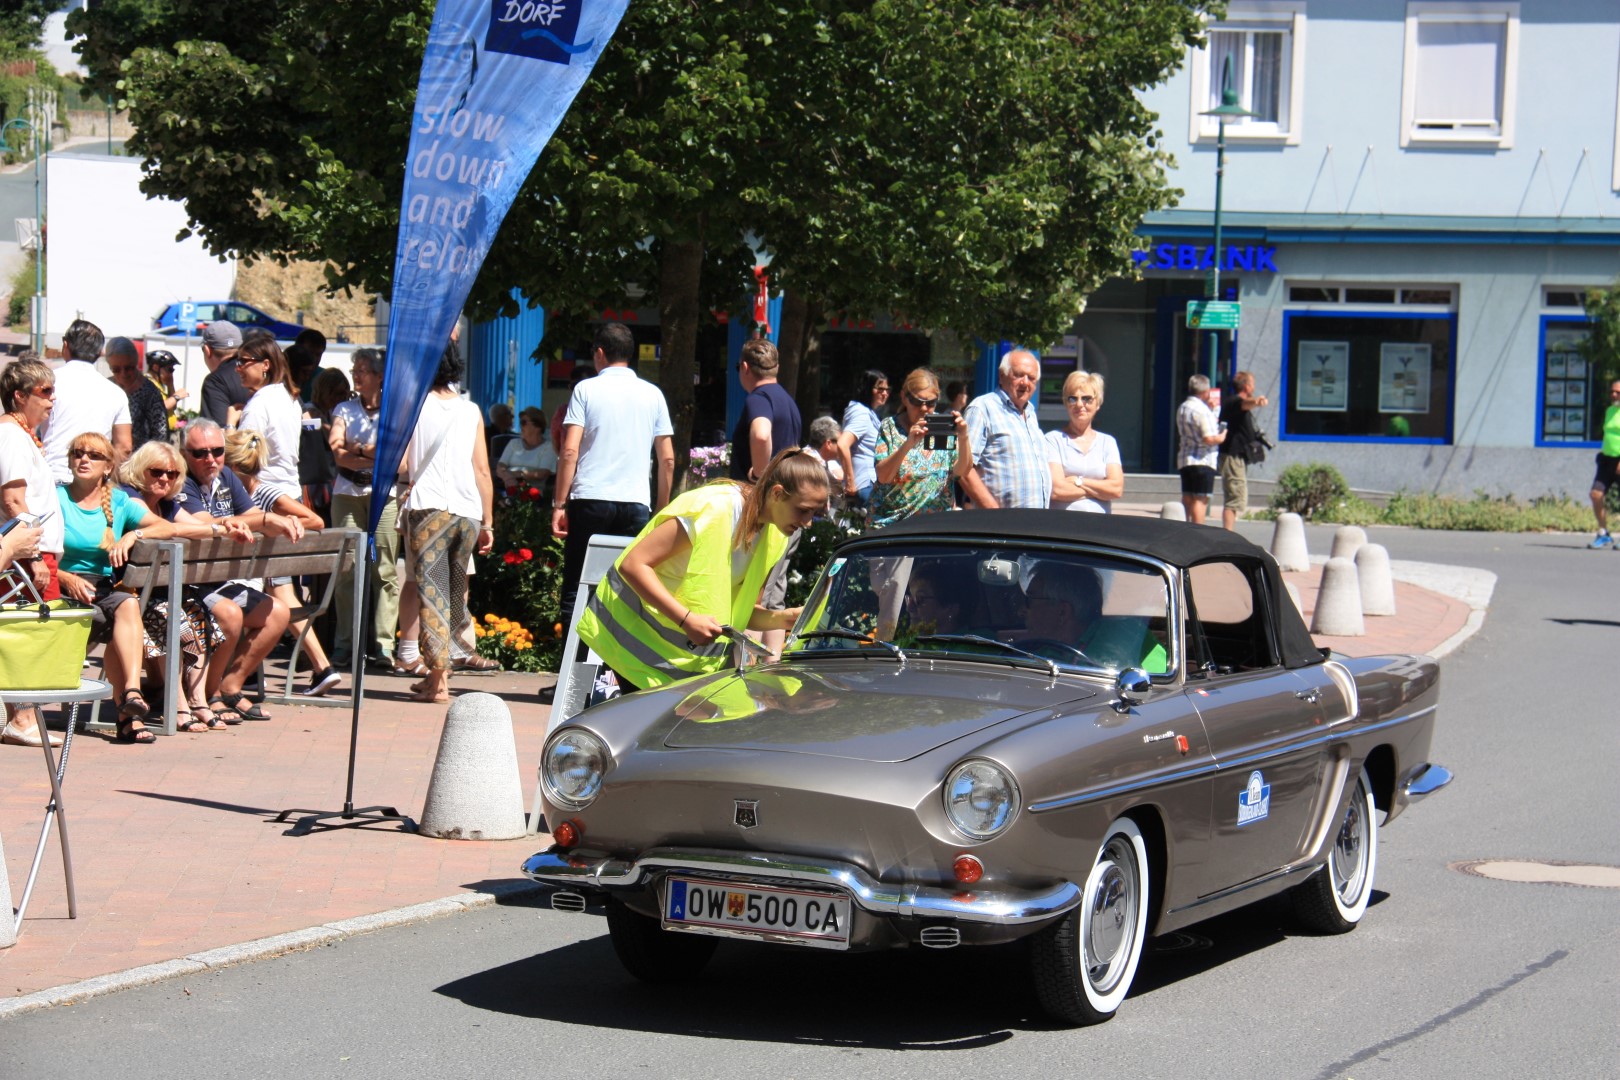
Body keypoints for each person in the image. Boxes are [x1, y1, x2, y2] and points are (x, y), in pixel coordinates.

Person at [577, 447, 828, 691]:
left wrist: (783, 619)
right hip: (629, 646)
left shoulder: (775, 535)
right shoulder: (714, 508)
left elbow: (740, 612)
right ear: (776, 493)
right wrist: (686, 620)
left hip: (677, 666)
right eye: (803, 510)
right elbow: (633, 564)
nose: (807, 522)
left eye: (814, 513)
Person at [53, 432, 190, 741]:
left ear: (108, 466)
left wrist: (133, 535)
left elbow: (164, 526)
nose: (84, 459)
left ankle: (131, 692)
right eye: (78, 453)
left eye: (93, 455)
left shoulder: (117, 500)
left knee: (126, 604)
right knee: (117, 618)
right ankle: (129, 717)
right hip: (62, 588)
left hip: (102, 589)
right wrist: (65, 577)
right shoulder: (56, 498)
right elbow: (37, 552)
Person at [121, 440, 253, 730]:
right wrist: (214, 527)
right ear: (140, 470)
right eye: (156, 472)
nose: (164, 479)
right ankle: (178, 703)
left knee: (200, 615)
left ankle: (197, 699)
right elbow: (166, 527)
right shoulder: (129, 498)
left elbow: (193, 526)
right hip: (132, 597)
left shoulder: (167, 503)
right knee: (175, 620)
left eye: (171, 474)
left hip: (163, 592)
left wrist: (222, 528)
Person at [551, 323, 675, 631]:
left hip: (590, 497)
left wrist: (559, 504)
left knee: (578, 588)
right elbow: (668, 458)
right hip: (635, 502)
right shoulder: (653, 394)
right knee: (627, 590)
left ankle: (572, 675)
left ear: (600, 353)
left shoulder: (586, 390)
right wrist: (660, 508)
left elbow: (569, 451)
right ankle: (615, 675)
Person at [175, 418, 298, 722]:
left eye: (217, 451)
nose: (210, 459)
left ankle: (230, 686)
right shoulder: (182, 481)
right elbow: (208, 524)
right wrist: (268, 521)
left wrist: (272, 520)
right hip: (185, 583)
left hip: (216, 580)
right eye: (200, 453)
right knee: (230, 615)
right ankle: (209, 694)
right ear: (184, 453)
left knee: (277, 613)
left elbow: (254, 515)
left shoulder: (226, 476)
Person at [400, 345, 496, 704]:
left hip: (428, 509)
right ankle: (442, 672)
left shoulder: (413, 407)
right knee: (456, 594)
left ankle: (438, 682)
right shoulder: (470, 410)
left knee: (432, 594)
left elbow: (403, 465)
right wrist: (488, 522)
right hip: (467, 510)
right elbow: (482, 470)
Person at [226, 429, 342, 697]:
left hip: (262, 571)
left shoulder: (264, 493)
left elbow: (315, 520)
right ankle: (320, 667)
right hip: (256, 572)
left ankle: (319, 666)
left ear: (232, 466)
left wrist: (278, 525)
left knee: (277, 591)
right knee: (280, 593)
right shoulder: (234, 492)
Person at [0, 358, 67, 747]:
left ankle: (24, 715)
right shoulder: (10, 435)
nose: (52, 400)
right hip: (25, 555)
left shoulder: (21, 435)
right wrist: (34, 557)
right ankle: (22, 717)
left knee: (31, 633)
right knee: (28, 633)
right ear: (19, 396)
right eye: (45, 391)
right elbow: (12, 501)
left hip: (32, 553)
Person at [727, 338, 803, 656]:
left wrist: (760, 474)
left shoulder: (758, 398)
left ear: (745, 368)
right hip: (787, 513)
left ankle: (747, 673)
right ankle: (772, 667)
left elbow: (760, 433)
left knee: (751, 596)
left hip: (764, 510)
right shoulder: (788, 401)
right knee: (773, 597)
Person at [328, 347, 400, 669]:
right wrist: (370, 451)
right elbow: (336, 450)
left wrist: (356, 448)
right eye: (354, 369)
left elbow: (395, 455)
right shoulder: (344, 408)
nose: (356, 375)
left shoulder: (395, 411)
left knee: (384, 568)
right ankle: (345, 643)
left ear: (380, 376)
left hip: (384, 492)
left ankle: (384, 646)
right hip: (347, 490)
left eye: (363, 370)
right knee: (348, 567)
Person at [869, 367, 971, 528]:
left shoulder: (942, 426)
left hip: (935, 527)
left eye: (931, 403)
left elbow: (960, 472)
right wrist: (908, 444)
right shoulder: (890, 427)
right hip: (893, 526)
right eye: (917, 402)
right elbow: (883, 476)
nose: (924, 408)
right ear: (904, 398)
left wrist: (964, 438)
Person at [39, 318, 132, 481]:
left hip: (52, 477)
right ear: (99, 353)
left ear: (65, 345)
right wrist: (104, 475)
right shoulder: (116, 393)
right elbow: (124, 447)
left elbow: (25, 425)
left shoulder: (47, 382)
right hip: (93, 483)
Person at [961, 349, 1051, 509]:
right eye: (1018, 375)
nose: (1025, 382)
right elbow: (964, 469)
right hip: (999, 526)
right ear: (1002, 376)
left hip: (1036, 524)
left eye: (1031, 378)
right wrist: (995, 514)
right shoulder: (982, 408)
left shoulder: (1030, 413)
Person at [1046, 370, 1124, 514]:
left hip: (1099, 527)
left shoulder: (1108, 442)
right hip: (1063, 524)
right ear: (1065, 403)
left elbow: (1116, 489)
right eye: (1073, 399)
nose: (1080, 404)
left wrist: (1078, 481)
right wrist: (1100, 490)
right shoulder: (1053, 440)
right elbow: (1057, 490)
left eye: (1087, 399)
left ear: (1098, 403)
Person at [235, 336, 303, 501]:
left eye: (244, 362)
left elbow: (241, 458)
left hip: (266, 497)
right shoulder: (289, 398)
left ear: (265, 365)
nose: (238, 368)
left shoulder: (259, 405)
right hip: (292, 492)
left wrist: (230, 425)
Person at [1218, 370, 1269, 530]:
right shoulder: (1234, 401)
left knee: (1235, 497)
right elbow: (1244, 404)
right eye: (1252, 384)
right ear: (1246, 386)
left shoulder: (1233, 402)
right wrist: (1257, 401)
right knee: (1233, 498)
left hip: (1236, 457)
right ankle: (1228, 535)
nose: (1254, 387)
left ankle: (1229, 534)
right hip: (1232, 457)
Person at [1177, 373, 1226, 525]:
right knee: (1200, 498)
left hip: (1186, 458)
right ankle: (1197, 532)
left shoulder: (1183, 407)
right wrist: (1223, 435)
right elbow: (1209, 438)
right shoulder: (1201, 410)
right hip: (1203, 459)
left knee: (1187, 497)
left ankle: (1183, 528)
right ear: (1205, 391)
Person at [835, 369, 889, 508]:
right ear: (868, 388)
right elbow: (842, 444)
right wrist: (850, 482)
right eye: (880, 389)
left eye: (887, 390)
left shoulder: (868, 412)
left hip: (870, 482)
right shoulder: (861, 412)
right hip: (864, 484)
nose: (885, 393)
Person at [105, 336, 169, 450]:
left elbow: (161, 435)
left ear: (135, 363)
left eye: (129, 368)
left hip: (141, 462)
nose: (123, 374)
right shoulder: (106, 388)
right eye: (116, 369)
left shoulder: (149, 392)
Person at [197, 320, 248, 428]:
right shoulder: (257, 372)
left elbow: (213, 433)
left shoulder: (215, 382)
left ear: (207, 350)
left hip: (234, 443)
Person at [1588, 379, 1620, 549]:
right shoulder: (1610, 411)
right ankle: (1603, 533)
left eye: (1618, 392)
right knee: (1595, 494)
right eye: (1612, 391)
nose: (1614, 395)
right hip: (1607, 459)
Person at [496, 406, 557, 492]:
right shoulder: (513, 443)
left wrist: (518, 474)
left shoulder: (548, 447)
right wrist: (507, 478)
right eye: (520, 422)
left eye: (524, 422)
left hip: (533, 495)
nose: (520, 426)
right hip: (506, 490)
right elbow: (500, 466)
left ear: (538, 426)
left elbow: (542, 473)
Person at [805, 415, 846, 512]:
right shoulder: (811, 462)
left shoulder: (818, 459)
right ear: (828, 444)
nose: (842, 446)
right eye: (840, 442)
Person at [144, 349, 189, 432]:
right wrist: (176, 397)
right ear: (155, 367)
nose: (171, 373)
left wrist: (170, 384)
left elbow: (172, 406)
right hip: (156, 433)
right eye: (169, 370)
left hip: (168, 432)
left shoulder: (158, 384)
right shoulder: (147, 383)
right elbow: (159, 406)